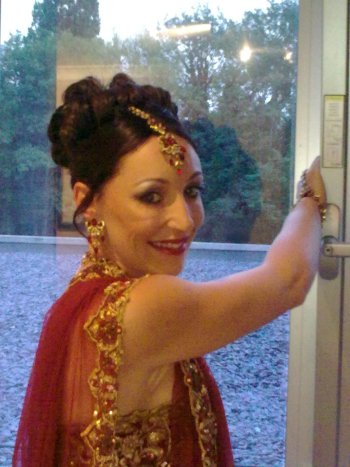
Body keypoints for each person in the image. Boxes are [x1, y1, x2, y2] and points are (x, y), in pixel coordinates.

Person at [13, 73, 326, 466]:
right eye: (152, 196)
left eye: (192, 191)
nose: (184, 221)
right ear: (87, 201)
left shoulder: (85, 301)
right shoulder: (144, 307)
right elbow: (289, 279)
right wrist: (311, 198)